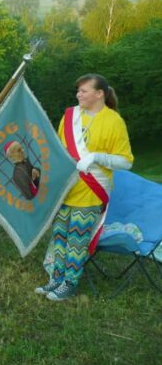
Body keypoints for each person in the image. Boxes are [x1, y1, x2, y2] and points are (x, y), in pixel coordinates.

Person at [36, 74, 133, 301]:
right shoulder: (70, 116)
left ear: (99, 94)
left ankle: (69, 283)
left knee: (77, 241)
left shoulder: (113, 121)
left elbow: (126, 161)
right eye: (78, 90)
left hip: (90, 191)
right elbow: (60, 151)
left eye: (84, 90)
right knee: (59, 237)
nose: (78, 94)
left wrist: (97, 157)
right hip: (66, 189)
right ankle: (56, 278)